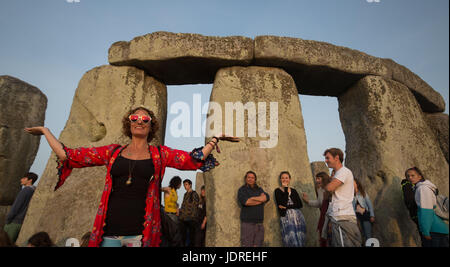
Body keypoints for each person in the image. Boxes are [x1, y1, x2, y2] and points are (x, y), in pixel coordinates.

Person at [25, 106, 239, 247]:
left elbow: (195, 159)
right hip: (108, 234)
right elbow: (68, 155)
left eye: (145, 118)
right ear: (128, 123)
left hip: (140, 236)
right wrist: (45, 131)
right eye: (134, 117)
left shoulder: (160, 154)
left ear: (151, 125)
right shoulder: (112, 152)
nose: (139, 121)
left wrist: (215, 138)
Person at [323, 148, 362, 247]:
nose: (326, 160)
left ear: (336, 158)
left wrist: (329, 185)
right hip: (344, 216)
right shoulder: (341, 173)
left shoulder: (343, 171)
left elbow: (329, 188)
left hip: (341, 217)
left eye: (328, 158)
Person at [405, 167, 449, 247]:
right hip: (438, 229)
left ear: (420, 176)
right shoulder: (423, 187)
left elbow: (426, 211)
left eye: (412, 175)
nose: (410, 178)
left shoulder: (422, 188)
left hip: (433, 230)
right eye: (408, 176)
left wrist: (425, 231)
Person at [3, 172, 38, 244]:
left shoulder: (25, 190)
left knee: (5, 243)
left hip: (14, 222)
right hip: (22, 222)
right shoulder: (33, 191)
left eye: (24, 178)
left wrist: (8, 219)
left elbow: (16, 206)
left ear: (30, 180)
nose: (21, 180)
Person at [237, 171, 270, 247]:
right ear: (246, 179)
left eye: (252, 178)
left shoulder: (259, 189)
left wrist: (252, 198)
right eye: (249, 177)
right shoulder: (242, 190)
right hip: (248, 223)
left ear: (255, 179)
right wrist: (260, 200)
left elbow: (267, 197)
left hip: (259, 223)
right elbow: (246, 202)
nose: (250, 179)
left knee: (258, 245)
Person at [274, 171, 306, 247]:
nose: (284, 179)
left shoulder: (294, 190)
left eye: (286, 178)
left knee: (300, 238)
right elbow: (281, 203)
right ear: (280, 179)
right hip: (286, 217)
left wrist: (287, 207)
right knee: (290, 238)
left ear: (289, 179)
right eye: (282, 178)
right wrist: (286, 191)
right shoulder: (277, 191)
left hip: (297, 216)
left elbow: (299, 204)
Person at [302, 172, 332, 247]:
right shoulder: (320, 189)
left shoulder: (330, 188)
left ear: (324, 178)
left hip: (331, 215)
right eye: (316, 179)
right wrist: (308, 201)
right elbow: (319, 203)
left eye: (318, 178)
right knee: (322, 236)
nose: (317, 181)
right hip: (323, 215)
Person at [160, 176, 183, 246]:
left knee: (176, 235)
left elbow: (175, 202)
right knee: (173, 236)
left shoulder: (175, 191)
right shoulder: (168, 189)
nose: (180, 185)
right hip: (168, 215)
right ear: (176, 183)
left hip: (174, 215)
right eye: (180, 183)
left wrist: (177, 209)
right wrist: (163, 189)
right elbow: (159, 189)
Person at [353, 178, 375, 242]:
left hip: (365, 216)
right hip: (357, 218)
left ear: (357, 184)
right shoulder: (351, 195)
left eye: (353, 183)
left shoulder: (362, 193)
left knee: (368, 235)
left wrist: (372, 215)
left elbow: (369, 204)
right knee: (360, 236)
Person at [179, 179, 200, 247]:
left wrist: (193, 218)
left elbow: (195, 207)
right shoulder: (185, 194)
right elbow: (183, 205)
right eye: (184, 185)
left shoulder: (194, 194)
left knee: (192, 237)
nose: (185, 186)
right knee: (183, 236)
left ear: (190, 185)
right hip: (184, 219)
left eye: (186, 184)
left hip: (191, 219)